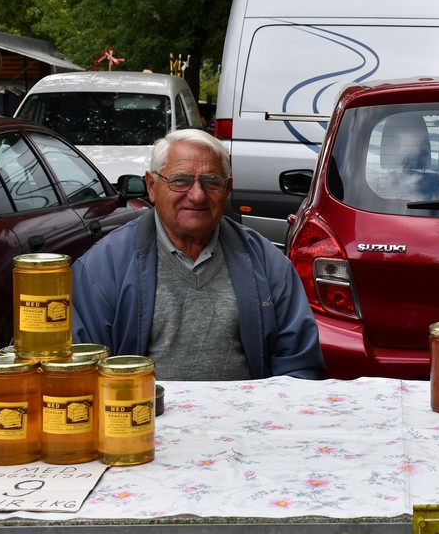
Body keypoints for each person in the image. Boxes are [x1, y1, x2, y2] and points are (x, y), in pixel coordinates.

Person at [71, 128, 325, 380]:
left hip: (244, 418)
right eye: (180, 180)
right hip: (143, 417)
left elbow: (298, 367)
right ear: (151, 185)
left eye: (212, 181)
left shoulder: (268, 263)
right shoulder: (102, 267)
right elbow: (85, 370)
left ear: (228, 188)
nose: (197, 195)